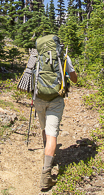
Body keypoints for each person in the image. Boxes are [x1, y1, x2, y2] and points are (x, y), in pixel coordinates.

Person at [34, 54, 77, 190]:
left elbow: (31, 75)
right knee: (52, 134)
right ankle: (46, 174)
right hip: (56, 99)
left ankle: (46, 154)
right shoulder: (64, 56)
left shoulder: (37, 54)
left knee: (44, 129)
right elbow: (74, 79)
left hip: (39, 97)